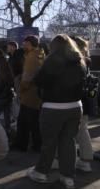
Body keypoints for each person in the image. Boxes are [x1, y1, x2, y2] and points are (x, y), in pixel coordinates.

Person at [27, 34, 86, 189]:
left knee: (49, 142)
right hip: (75, 107)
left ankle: (41, 172)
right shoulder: (80, 61)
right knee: (69, 142)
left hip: (53, 107)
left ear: (54, 46)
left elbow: (38, 80)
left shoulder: (52, 61)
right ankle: (68, 177)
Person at [13, 35, 45, 152]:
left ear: (30, 44)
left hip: (29, 96)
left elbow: (27, 78)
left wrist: (20, 91)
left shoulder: (31, 58)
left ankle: (27, 145)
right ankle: (30, 144)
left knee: (27, 123)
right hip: (37, 96)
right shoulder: (40, 55)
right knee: (30, 121)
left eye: (24, 43)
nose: (22, 45)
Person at [71, 36, 94, 172]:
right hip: (85, 101)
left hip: (77, 101)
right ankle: (85, 161)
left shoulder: (77, 62)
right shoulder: (86, 61)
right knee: (82, 130)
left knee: (76, 132)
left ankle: (80, 161)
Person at [0, 49, 14, 134]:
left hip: (2, 95)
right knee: (7, 113)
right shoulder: (8, 66)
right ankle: (7, 131)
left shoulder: (2, 69)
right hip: (8, 94)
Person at [6, 41, 24, 119]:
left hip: (19, 77)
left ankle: (22, 116)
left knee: (20, 98)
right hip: (16, 78)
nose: (7, 48)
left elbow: (21, 66)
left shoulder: (18, 54)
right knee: (19, 98)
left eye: (8, 46)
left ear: (13, 47)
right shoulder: (11, 56)